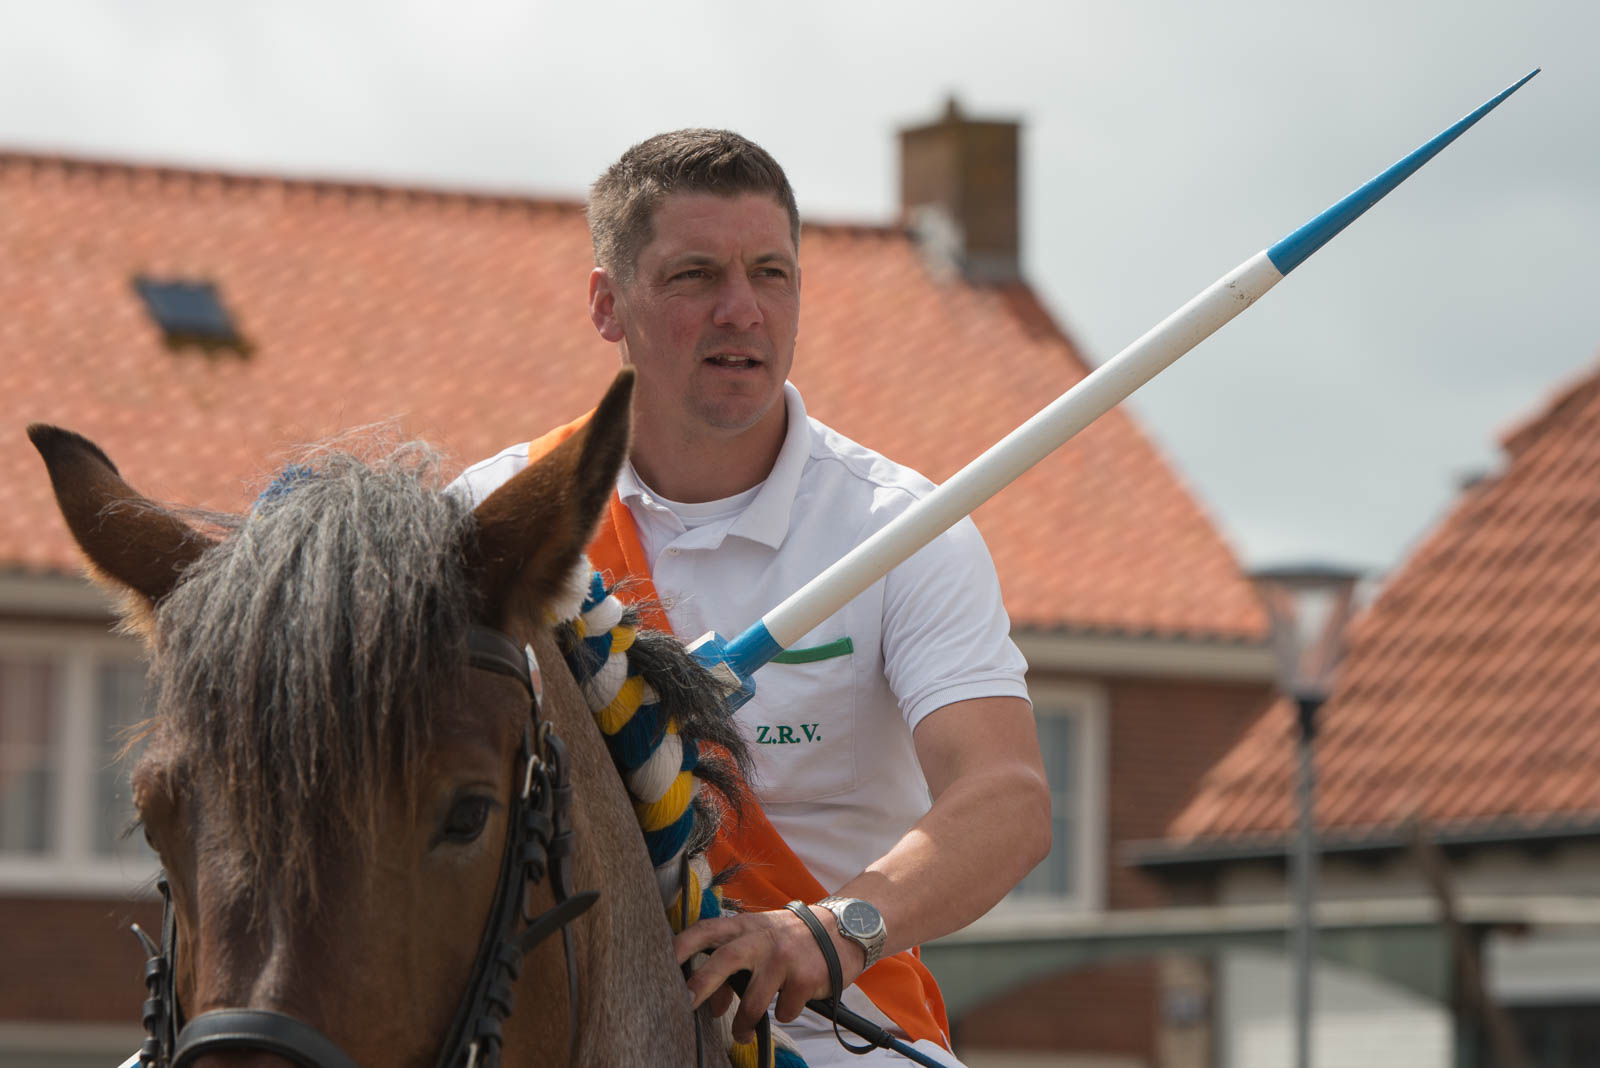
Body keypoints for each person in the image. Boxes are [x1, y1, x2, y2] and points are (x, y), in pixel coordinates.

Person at [453, 129, 1051, 1067]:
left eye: (771, 274)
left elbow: (1005, 798)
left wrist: (832, 930)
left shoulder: (902, 530)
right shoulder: (495, 520)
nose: (741, 310)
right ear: (608, 304)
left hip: (836, 1034)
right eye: (694, 276)